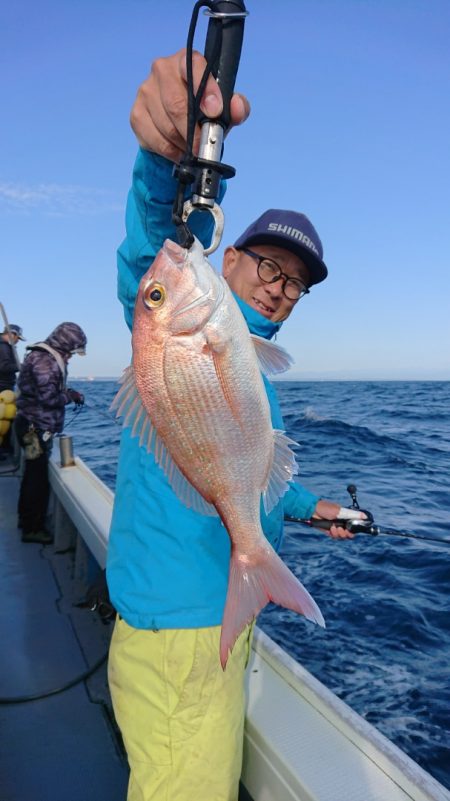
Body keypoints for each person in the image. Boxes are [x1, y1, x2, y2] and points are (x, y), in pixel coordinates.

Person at [107, 49, 364, 801]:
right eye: (269, 267)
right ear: (231, 252)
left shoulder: (249, 369)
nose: (281, 288)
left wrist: (308, 505)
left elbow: (243, 472)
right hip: (182, 632)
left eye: (297, 283)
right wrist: (163, 157)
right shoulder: (173, 322)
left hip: (211, 612)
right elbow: (148, 251)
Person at [14, 322, 87, 544]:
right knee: (37, 481)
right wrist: (70, 397)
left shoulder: (43, 356)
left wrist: (67, 391)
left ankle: (26, 520)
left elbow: (46, 390)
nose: (71, 357)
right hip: (34, 430)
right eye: (72, 352)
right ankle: (32, 529)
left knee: (32, 477)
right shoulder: (45, 362)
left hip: (31, 425)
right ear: (66, 344)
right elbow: (48, 400)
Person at [0, 323, 24, 392]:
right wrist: (21, 366)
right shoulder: (3, 347)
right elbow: (4, 366)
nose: (18, 341)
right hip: (3, 387)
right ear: (12, 334)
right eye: (18, 337)